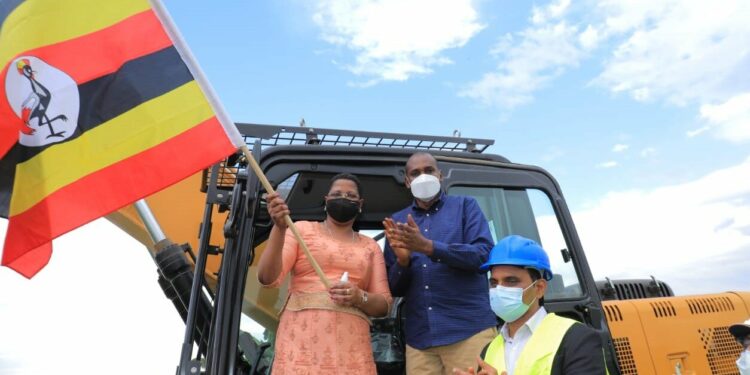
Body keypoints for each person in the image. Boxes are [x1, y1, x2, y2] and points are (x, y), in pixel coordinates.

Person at [258, 173, 393, 374]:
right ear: (326, 200)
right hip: (300, 344)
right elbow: (267, 278)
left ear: (360, 204)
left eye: (350, 195)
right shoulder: (300, 230)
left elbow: (384, 305)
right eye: (337, 193)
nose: (344, 198)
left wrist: (359, 297)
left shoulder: (370, 246)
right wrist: (279, 228)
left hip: (351, 349)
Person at [383, 152, 496, 374]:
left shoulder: (466, 207)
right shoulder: (396, 221)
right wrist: (403, 262)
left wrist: (428, 247)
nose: (423, 176)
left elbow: (483, 255)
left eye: (429, 170)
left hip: (468, 331)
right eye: (415, 173)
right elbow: (394, 288)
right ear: (407, 182)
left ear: (440, 175)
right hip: (420, 342)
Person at [453, 235, 607, 375]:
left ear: (539, 288)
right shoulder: (488, 351)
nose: (499, 289)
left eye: (511, 281)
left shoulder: (577, 338)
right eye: (494, 283)